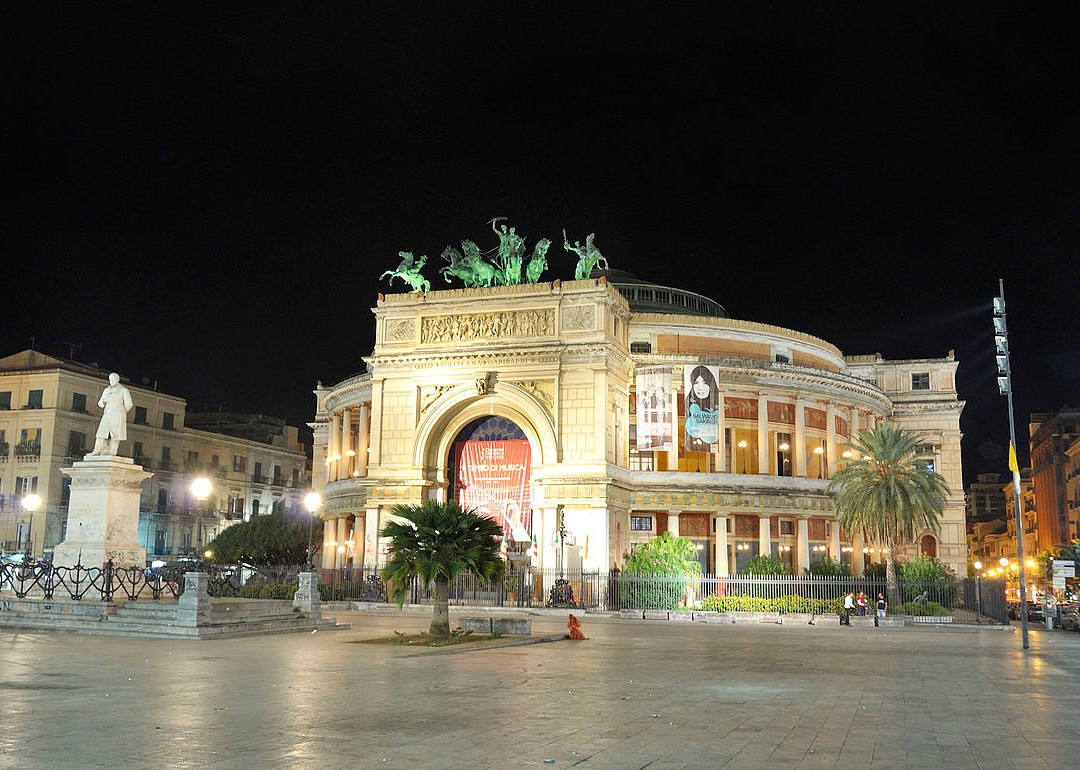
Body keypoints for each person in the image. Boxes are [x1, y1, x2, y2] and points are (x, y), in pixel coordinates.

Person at [91, 373, 134, 456]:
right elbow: (100, 404)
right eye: (110, 379)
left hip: (118, 414)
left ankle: (112, 452)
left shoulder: (123, 390)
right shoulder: (106, 390)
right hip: (107, 414)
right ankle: (97, 450)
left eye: (113, 379)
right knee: (101, 432)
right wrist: (104, 400)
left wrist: (122, 412)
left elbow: (129, 404)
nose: (111, 381)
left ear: (118, 379)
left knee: (115, 435)